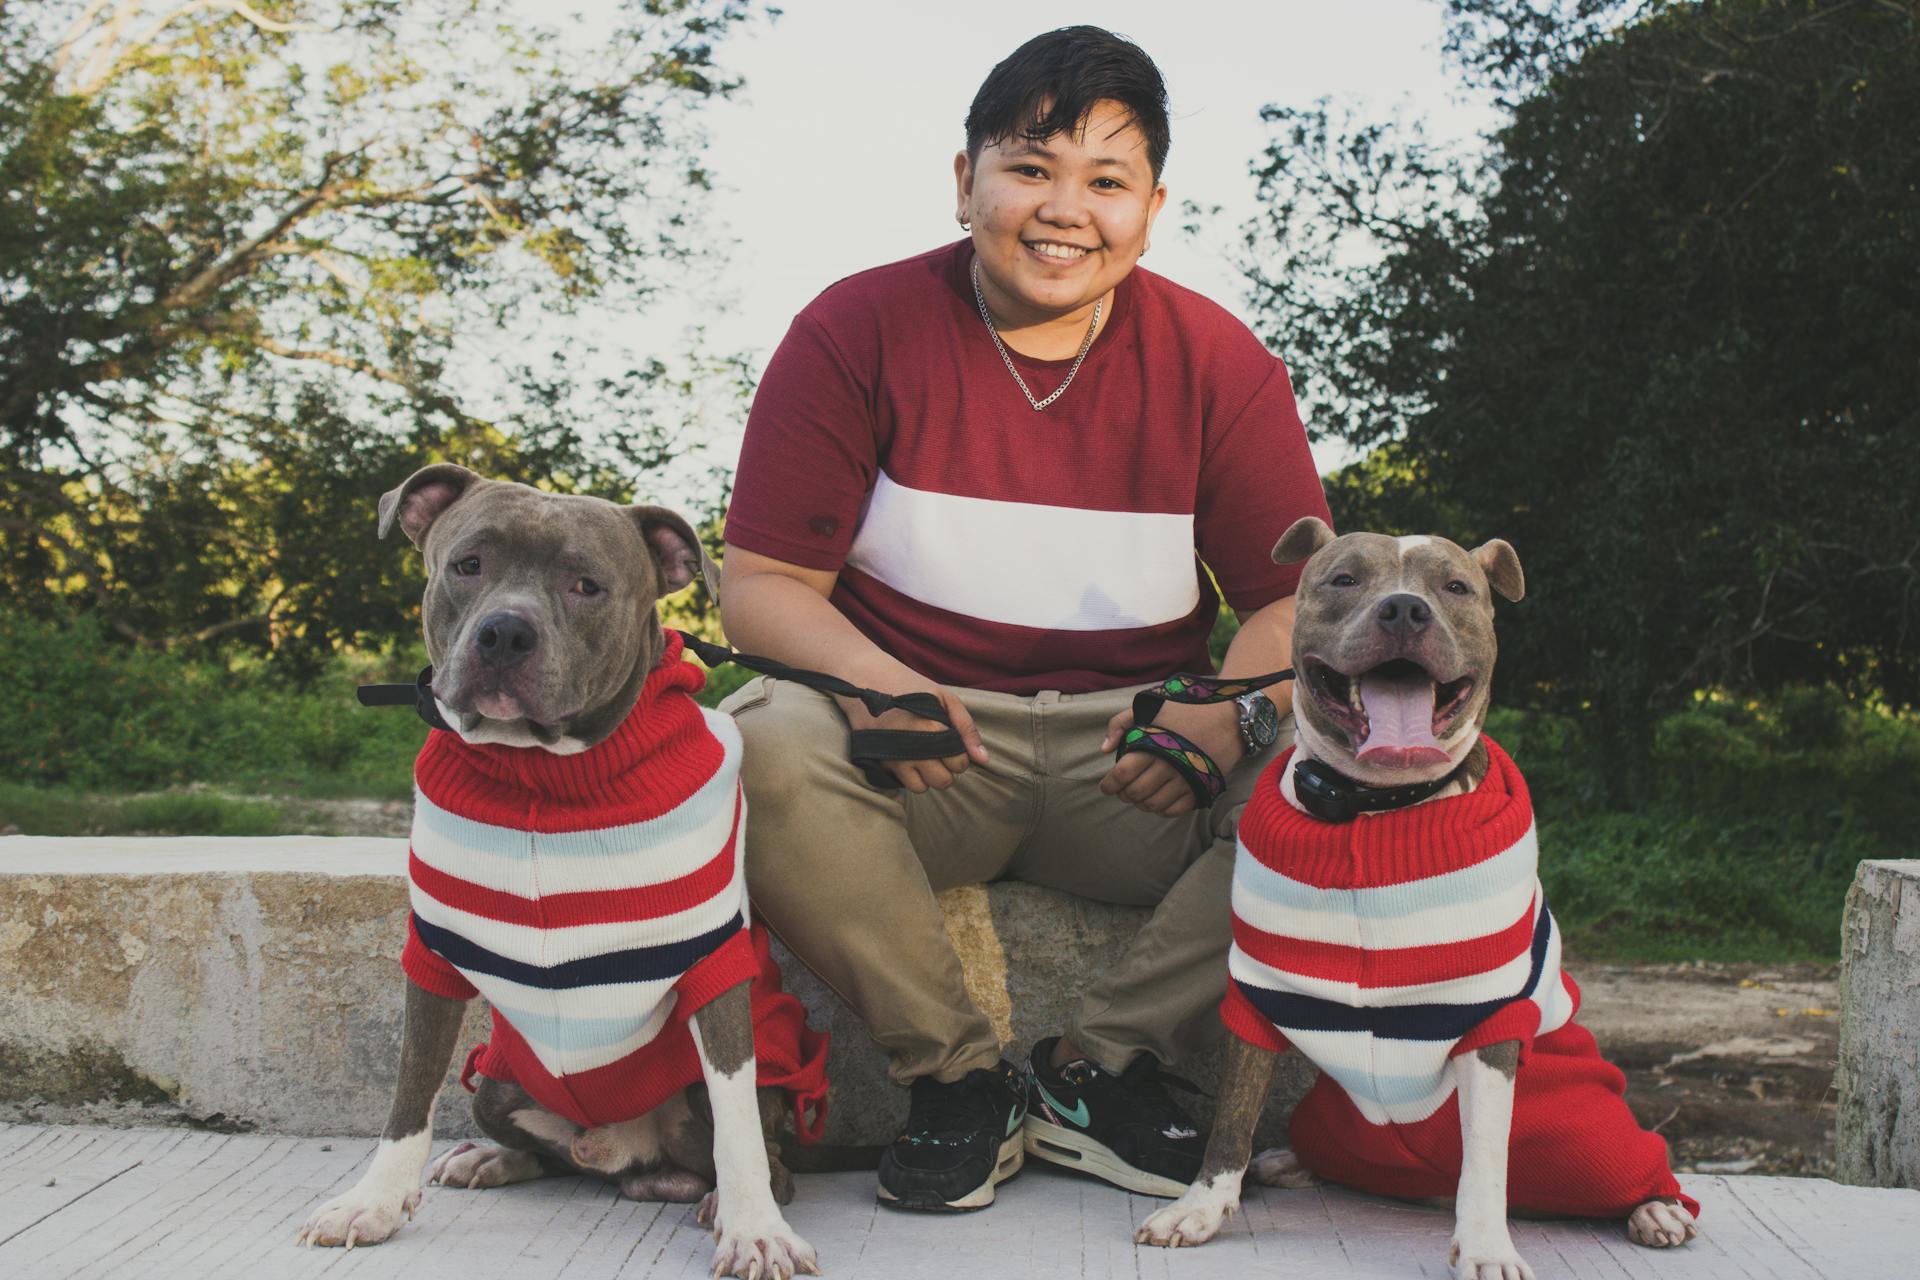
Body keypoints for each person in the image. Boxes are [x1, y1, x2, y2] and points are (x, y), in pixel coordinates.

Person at [717, 25, 1331, 1213]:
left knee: (1322, 767)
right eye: (1030, 167)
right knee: (761, 743)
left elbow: (1292, 601)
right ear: (965, 182)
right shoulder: (854, 328)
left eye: (1106, 181)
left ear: (1151, 207)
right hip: (930, 749)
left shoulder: (1219, 360)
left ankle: (1096, 1069)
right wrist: (876, 682)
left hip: (1135, 762)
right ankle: (954, 1078)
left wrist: (1220, 714)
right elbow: (762, 583)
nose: (1064, 209)